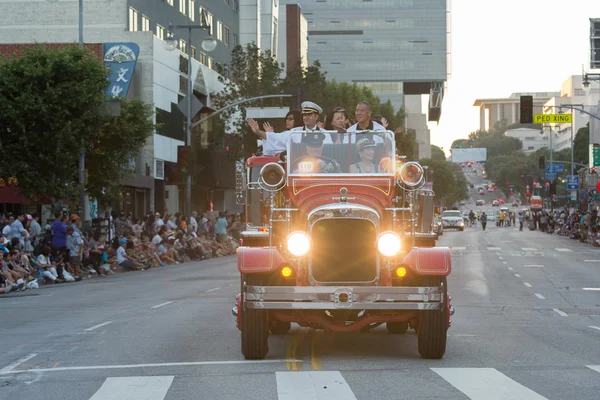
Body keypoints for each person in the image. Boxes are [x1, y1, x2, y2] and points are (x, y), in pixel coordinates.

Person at [248, 101, 325, 156]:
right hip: (297, 171)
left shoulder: (325, 133)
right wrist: (258, 132)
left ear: (316, 116)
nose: (306, 117)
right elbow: (275, 138)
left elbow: (329, 152)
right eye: (304, 115)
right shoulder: (294, 133)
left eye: (309, 114)